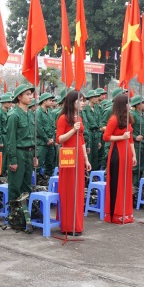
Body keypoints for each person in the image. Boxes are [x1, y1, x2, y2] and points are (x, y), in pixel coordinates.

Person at [55, 90, 91, 234]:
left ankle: (77, 224)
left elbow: (81, 140)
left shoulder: (80, 118)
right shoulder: (63, 118)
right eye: (80, 100)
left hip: (79, 157)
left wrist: (86, 159)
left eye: (83, 100)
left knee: (78, 190)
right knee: (69, 190)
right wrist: (72, 130)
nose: (83, 103)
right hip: (68, 156)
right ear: (72, 102)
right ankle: (68, 225)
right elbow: (59, 139)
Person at [5, 85, 37, 232]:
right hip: (18, 152)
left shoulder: (30, 114)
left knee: (26, 185)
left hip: (29, 152)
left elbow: (33, 136)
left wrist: (35, 155)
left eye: (31, 94)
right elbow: (10, 140)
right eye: (28, 94)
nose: (31, 97)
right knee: (15, 185)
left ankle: (26, 215)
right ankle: (15, 217)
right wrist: (12, 160)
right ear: (19, 97)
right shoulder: (14, 115)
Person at [102, 94, 136, 223]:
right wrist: (122, 137)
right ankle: (114, 213)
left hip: (127, 152)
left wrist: (133, 155)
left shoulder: (127, 118)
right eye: (128, 103)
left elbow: (131, 138)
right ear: (122, 105)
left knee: (126, 182)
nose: (130, 106)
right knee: (117, 181)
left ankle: (124, 212)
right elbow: (106, 137)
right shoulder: (114, 119)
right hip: (117, 152)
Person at [35, 93, 56, 179]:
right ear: (44, 101)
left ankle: (48, 180)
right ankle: (35, 181)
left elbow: (53, 126)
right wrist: (47, 139)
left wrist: (52, 139)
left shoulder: (50, 112)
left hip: (50, 142)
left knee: (50, 163)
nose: (52, 102)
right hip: (42, 143)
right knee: (38, 163)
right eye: (50, 100)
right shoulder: (38, 112)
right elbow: (38, 128)